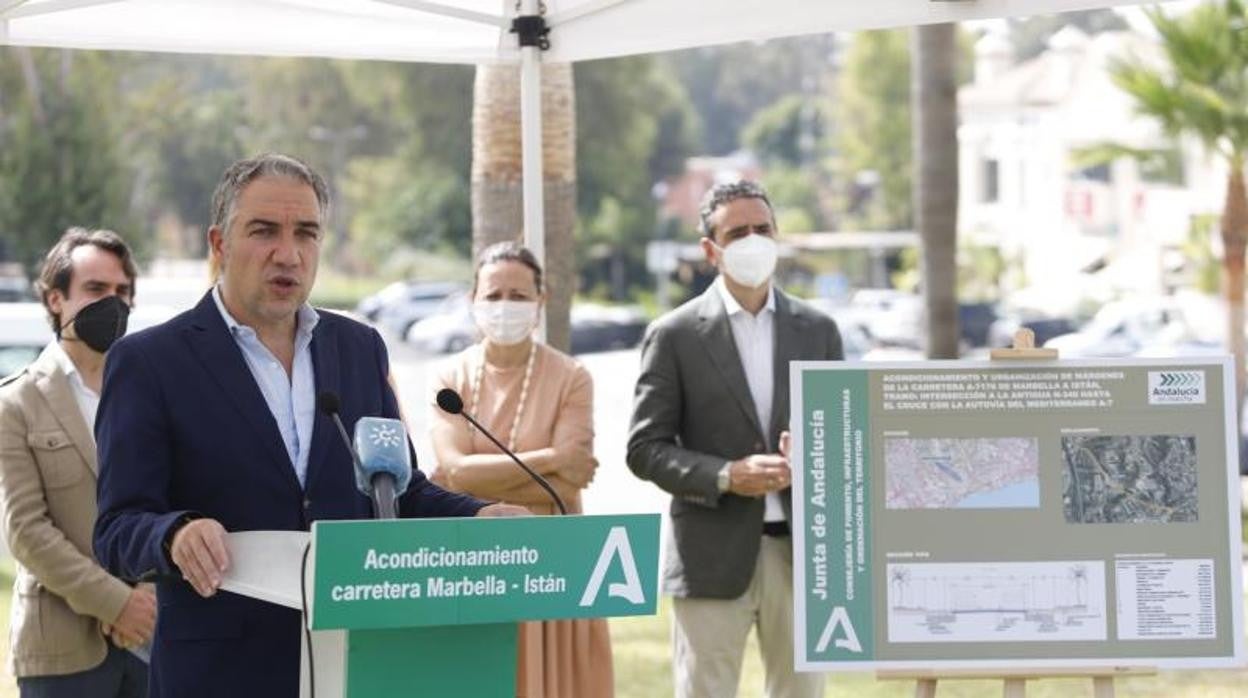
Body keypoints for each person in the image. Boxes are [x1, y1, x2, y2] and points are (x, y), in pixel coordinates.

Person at [91, 153, 525, 698]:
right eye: (264, 231)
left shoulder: (358, 348)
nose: (288, 254)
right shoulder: (149, 362)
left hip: (353, 664)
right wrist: (174, 532)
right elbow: (116, 528)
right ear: (219, 244)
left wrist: (479, 515)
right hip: (219, 674)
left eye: (307, 233)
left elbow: (396, 487)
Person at [627, 181, 842, 698]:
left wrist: (815, 460)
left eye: (762, 229)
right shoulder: (674, 334)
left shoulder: (819, 330)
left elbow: (843, 436)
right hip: (709, 555)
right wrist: (727, 475)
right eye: (737, 232)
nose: (753, 240)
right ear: (710, 249)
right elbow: (645, 449)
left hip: (801, 554)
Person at [428, 241, 612, 698]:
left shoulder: (572, 376)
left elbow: (573, 481)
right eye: (493, 295)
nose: (505, 306)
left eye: (518, 295)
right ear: (473, 300)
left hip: (553, 563)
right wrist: (551, 460)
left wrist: (480, 475)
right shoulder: (450, 379)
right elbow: (455, 471)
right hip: (472, 561)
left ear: (540, 302)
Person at [0, 228, 154, 697]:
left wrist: (147, 599)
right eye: (95, 289)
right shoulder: (15, 403)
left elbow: (174, 499)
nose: (113, 302)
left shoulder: (151, 395)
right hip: (61, 652)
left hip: (152, 637)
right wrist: (115, 603)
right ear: (55, 300)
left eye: (122, 291)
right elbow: (27, 531)